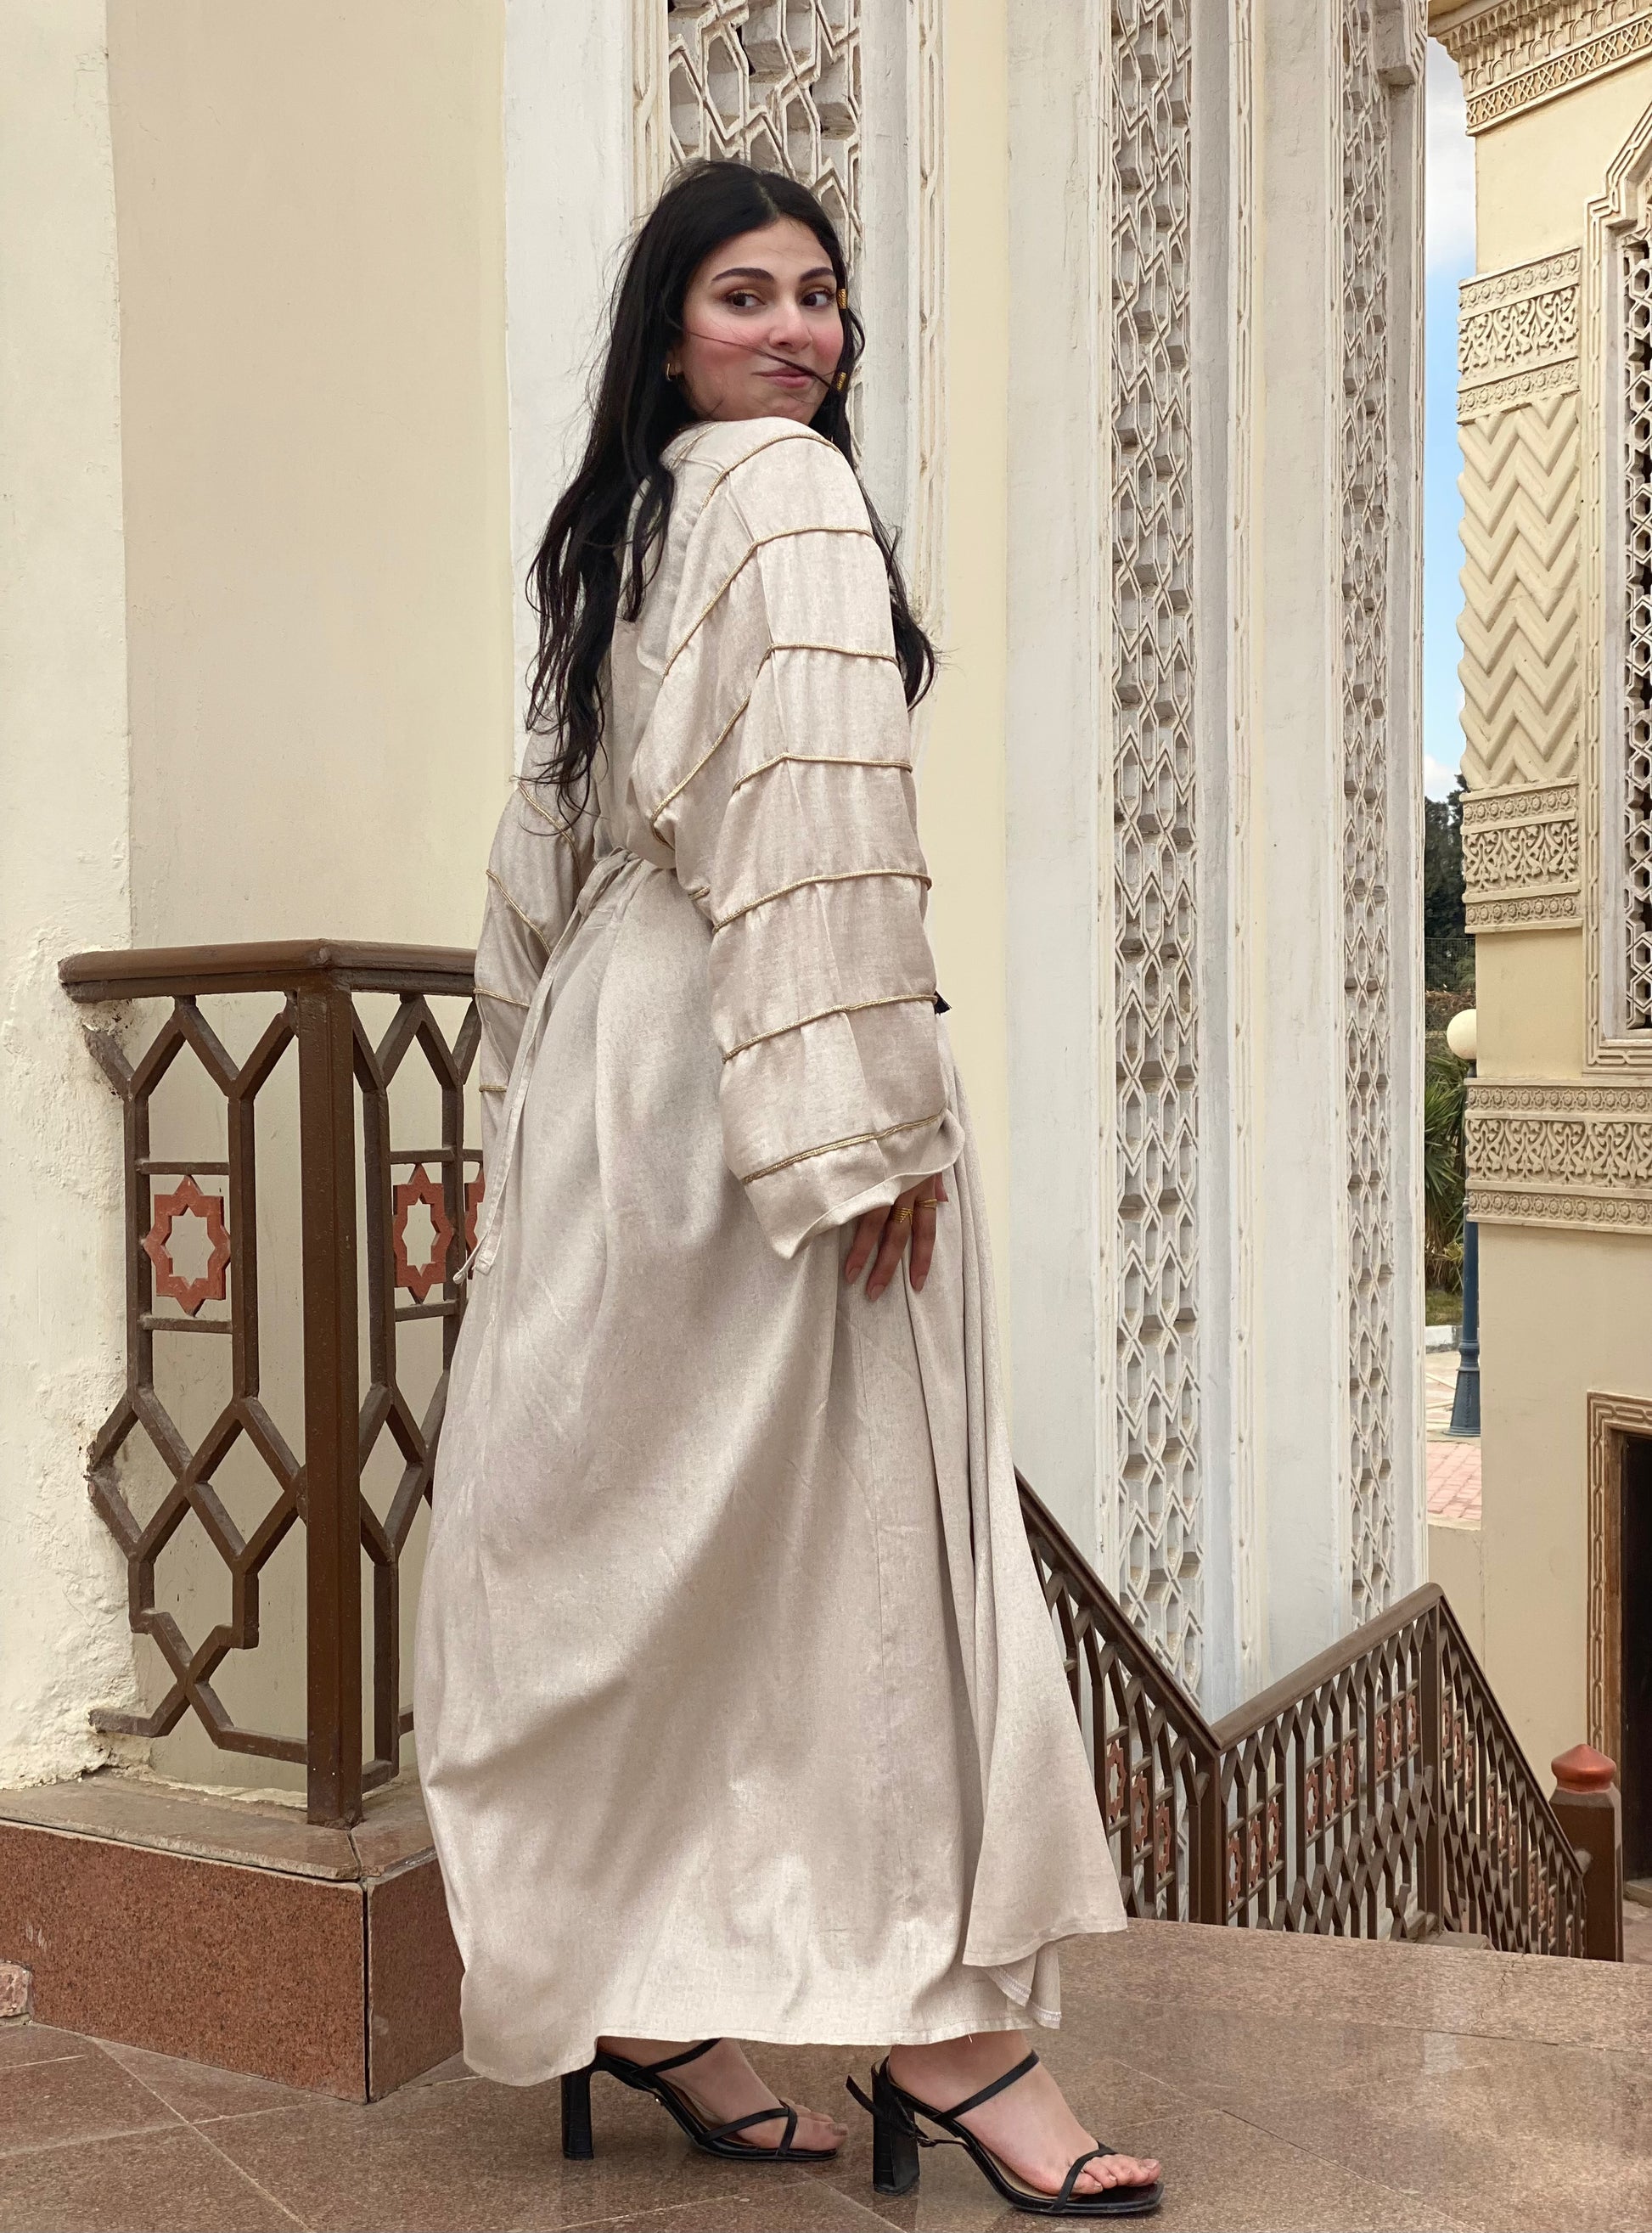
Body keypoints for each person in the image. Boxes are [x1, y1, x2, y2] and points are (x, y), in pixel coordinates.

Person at [414, 158, 1163, 2218]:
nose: (797, 331)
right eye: (745, 294)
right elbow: (823, 817)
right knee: (859, 1547)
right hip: (765, 1061)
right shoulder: (784, 493)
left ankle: (635, 1978)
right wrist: (863, 1119)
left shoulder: (626, 525)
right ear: (670, 333)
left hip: (624, 1074)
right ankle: (947, 2032)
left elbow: (541, 847)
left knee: (643, 1544)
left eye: (819, 296)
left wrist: (517, 1113)